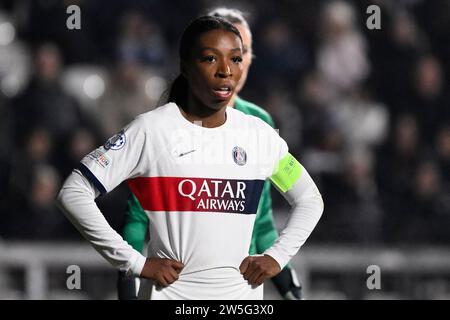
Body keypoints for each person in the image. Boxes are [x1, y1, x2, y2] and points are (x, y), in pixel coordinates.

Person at [58, 15, 323, 300]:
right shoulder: (152, 130)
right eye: (210, 59)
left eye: (235, 59)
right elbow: (73, 193)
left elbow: (309, 199)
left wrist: (277, 256)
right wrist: (134, 262)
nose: (225, 71)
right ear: (185, 66)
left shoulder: (258, 136)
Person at [117, 7, 305, 300]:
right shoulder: (163, 125)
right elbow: (139, 213)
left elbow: (264, 221)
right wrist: (130, 272)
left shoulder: (259, 125)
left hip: (239, 290)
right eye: (213, 55)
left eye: (238, 54)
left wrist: (286, 278)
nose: (226, 65)